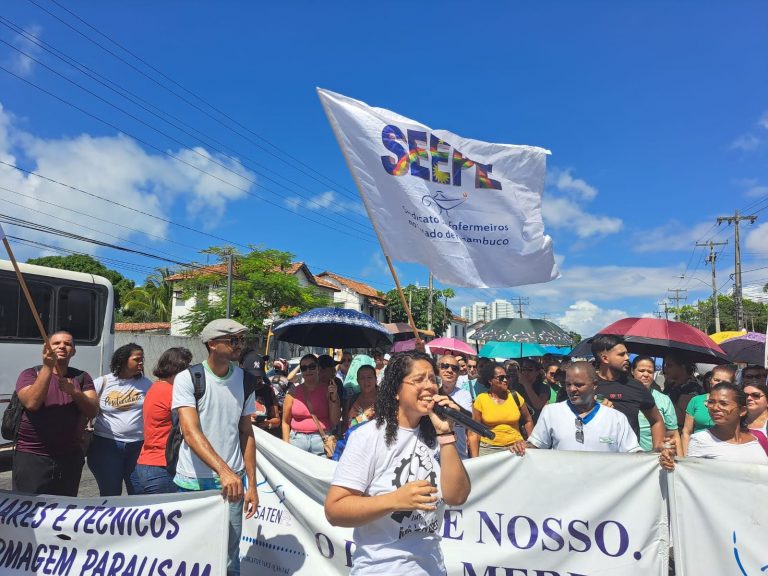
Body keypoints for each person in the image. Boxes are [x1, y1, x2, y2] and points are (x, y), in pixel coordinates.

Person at [324, 351, 471, 575]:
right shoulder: (368, 437)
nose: (430, 386)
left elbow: (457, 496)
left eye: (433, 379)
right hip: (381, 568)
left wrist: (446, 435)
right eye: (419, 379)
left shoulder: (436, 436)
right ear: (395, 391)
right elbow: (335, 510)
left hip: (432, 568)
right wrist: (395, 500)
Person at [172, 319, 258, 576]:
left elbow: (246, 433)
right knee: (189, 554)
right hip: (193, 483)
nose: (239, 345)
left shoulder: (246, 381)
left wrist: (251, 484)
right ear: (212, 344)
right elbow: (190, 431)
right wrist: (224, 471)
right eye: (233, 340)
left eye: (241, 340)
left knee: (229, 557)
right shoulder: (188, 378)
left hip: (233, 484)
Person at [12, 331, 98, 496]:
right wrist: (47, 367)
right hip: (32, 457)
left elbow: (92, 410)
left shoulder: (81, 377)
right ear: (46, 348)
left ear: (73, 351)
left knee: (64, 508)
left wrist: (74, 392)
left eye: (68, 344)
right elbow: (31, 403)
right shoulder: (30, 374)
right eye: (56, 343)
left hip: (69, 457)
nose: (62, 346)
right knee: (29, 510)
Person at [516, 362, 641, 454]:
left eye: (578, 385)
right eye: (568, 384)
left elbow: (634, 454)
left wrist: (657, 458)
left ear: (594, 385)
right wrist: (522, 447)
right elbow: (536, 446)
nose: (572, 389)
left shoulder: (616, 419)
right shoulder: (551, 412)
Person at [88, 343, 152, 496]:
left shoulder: (146, 384)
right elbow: (87, 407)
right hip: (106, 445)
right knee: (110, 494)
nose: (141, 363)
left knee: (138, 493)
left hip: (137, 446)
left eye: (142, 359)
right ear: (123, 360)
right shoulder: (103, 382)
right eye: (137, 359)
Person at [660, 382, 768, 469]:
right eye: (711, 402)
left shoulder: (760, 438)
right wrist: (670, 462)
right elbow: (692, 478)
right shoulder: (700, 440)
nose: (715, 408)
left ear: (742, 411)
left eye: (723, 403)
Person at [133, 347, 193, 494]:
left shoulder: (155, 387)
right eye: (188, 368)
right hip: (162, 466)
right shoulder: (172, 392)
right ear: (178, 369)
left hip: (144, 464)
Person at [591, 335, 665, 451]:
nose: (627, 358)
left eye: (626, 354)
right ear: (605, 358)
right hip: (593, 458)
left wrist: (657, 452)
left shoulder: (636, 386)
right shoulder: (586, 386)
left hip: (630, 462)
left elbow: (656, 421)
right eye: (621, 354)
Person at [469, 362, 533, 457]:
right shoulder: (481, 399)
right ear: (490, 380)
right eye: (501, 378)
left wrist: (530, 442)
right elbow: (474, 431)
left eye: (507, 377)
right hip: (489, 449)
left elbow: (528, 420)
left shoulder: (515, 396)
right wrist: (475, 459)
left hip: (517, 447)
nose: (505, 380)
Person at [282, 353, 341, 456]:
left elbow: (335, 421)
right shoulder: (292, 392)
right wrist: (286, 444)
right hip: (297, 440)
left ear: (318, 368)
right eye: (304, 368)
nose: (308, 370)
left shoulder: (329, 390)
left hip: (321, 440)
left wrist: (334, 397)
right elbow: (285, 422)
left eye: (312, 367)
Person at [681, 365, 735, 454]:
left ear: (732, 384)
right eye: (716, 380)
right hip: (697, 450)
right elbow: (686, 432)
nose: (719, 384)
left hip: (724, 451)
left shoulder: (735, 404)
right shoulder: (696, 401)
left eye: (725, 382)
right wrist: (686, 457)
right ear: (710, 381)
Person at [632, 356, 680, 454]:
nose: (646, 374)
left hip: (655, 459)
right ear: (632, 371)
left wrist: (681, 462)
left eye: (650, 372)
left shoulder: (664, 400)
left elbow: (674, 434)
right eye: (641, 370)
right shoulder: (623, 396)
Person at [437, 355, 473, 459]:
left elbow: (469, 419)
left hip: (458, 455)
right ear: (437, 370)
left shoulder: (464, 394)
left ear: (458, 374)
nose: (449, 370)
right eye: (445, 366)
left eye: (454, 368)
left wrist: (445, 397)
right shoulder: (430, 392)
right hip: (433, 457)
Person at [241, 350, 280, 438]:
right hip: (244, 437)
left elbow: (277, 420)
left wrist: (268, 423)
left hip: (264, 438)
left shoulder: (268, 390)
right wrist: (246, 420)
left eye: (259, 376)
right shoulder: (238, 390)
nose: (256, 380)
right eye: (253, 376)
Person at [662, 353, 704, 426]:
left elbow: (681, 419)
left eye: (669, 365)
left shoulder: (691, 388)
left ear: (683, 367)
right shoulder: (671, 386)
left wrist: (660, 395)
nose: (665, 369)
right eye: (665, 365)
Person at [513, 358, 552, 424]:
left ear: (537, 372)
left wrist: (526, 384)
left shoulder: (544, 387)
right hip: (519, 424)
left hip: (536, 424)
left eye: (530, 370)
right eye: (523, 369)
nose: (526, 372)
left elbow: (538, 405)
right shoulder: (515, 386)